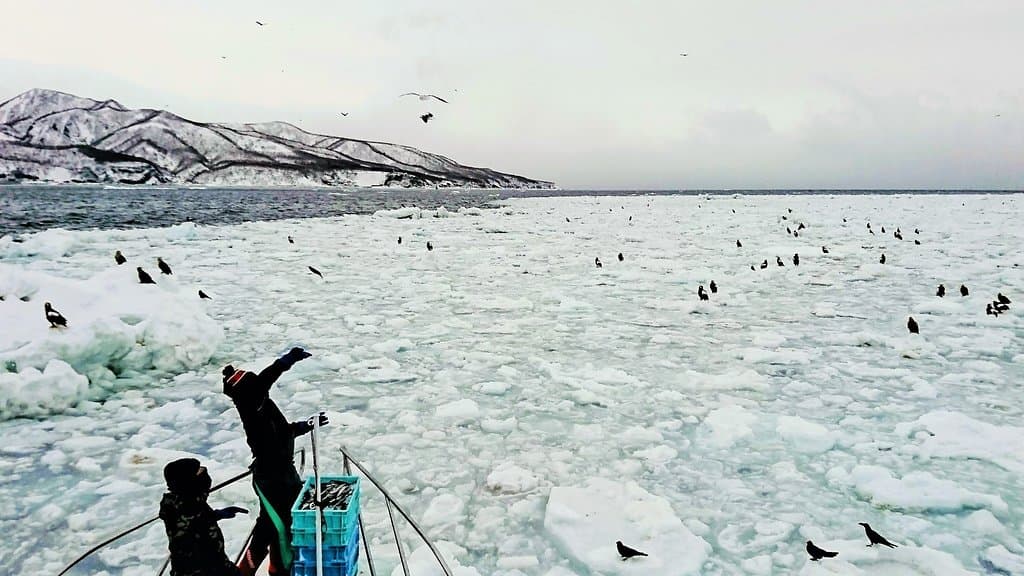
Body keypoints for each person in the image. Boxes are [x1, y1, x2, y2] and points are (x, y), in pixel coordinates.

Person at [223, 347, 329, 576]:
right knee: (275, 525)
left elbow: (283, 431)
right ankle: (256, 570)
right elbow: (266, 379)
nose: (263, 388)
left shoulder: (262, 404)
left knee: (284, 522)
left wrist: (305, 426)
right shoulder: (251, 408)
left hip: (285, 474)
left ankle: (276, 565)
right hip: (270, 479)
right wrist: (286, 360)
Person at [159, 458, 249, 576]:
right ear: (188, 482)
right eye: (199, 473)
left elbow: (195, 523)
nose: (204, 475)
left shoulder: (181, 503)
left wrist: (216, 514)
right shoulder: (189, 507)